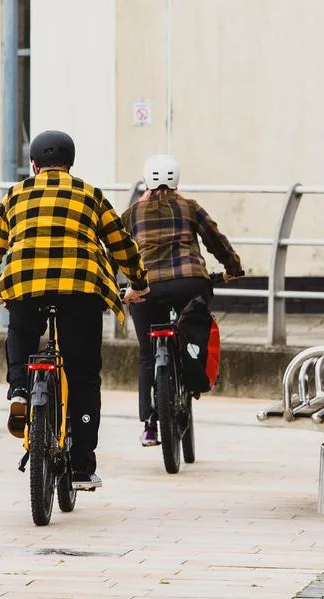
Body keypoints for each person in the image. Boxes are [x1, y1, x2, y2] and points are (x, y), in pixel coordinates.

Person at [0, 130, 150, 490]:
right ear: (70, 164)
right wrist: (139, 281)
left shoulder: (15, 195)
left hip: (25, 282)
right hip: (81, 286)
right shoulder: (89, 193)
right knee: (84, 373)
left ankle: (20, 390)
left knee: (21, 333)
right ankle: (83, 466)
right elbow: (121, 244)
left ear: (33, 165)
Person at [121, 154, 244, 447]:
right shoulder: (190, 207)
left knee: (147, 353)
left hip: (147, 286)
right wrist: (232, 268)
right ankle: (191, 380)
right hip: (190, 281)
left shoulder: (131, 214)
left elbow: (118, 249)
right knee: (193, 333)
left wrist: (124, 285)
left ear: (145, 180)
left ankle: (150, 424)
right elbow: (215, 239)